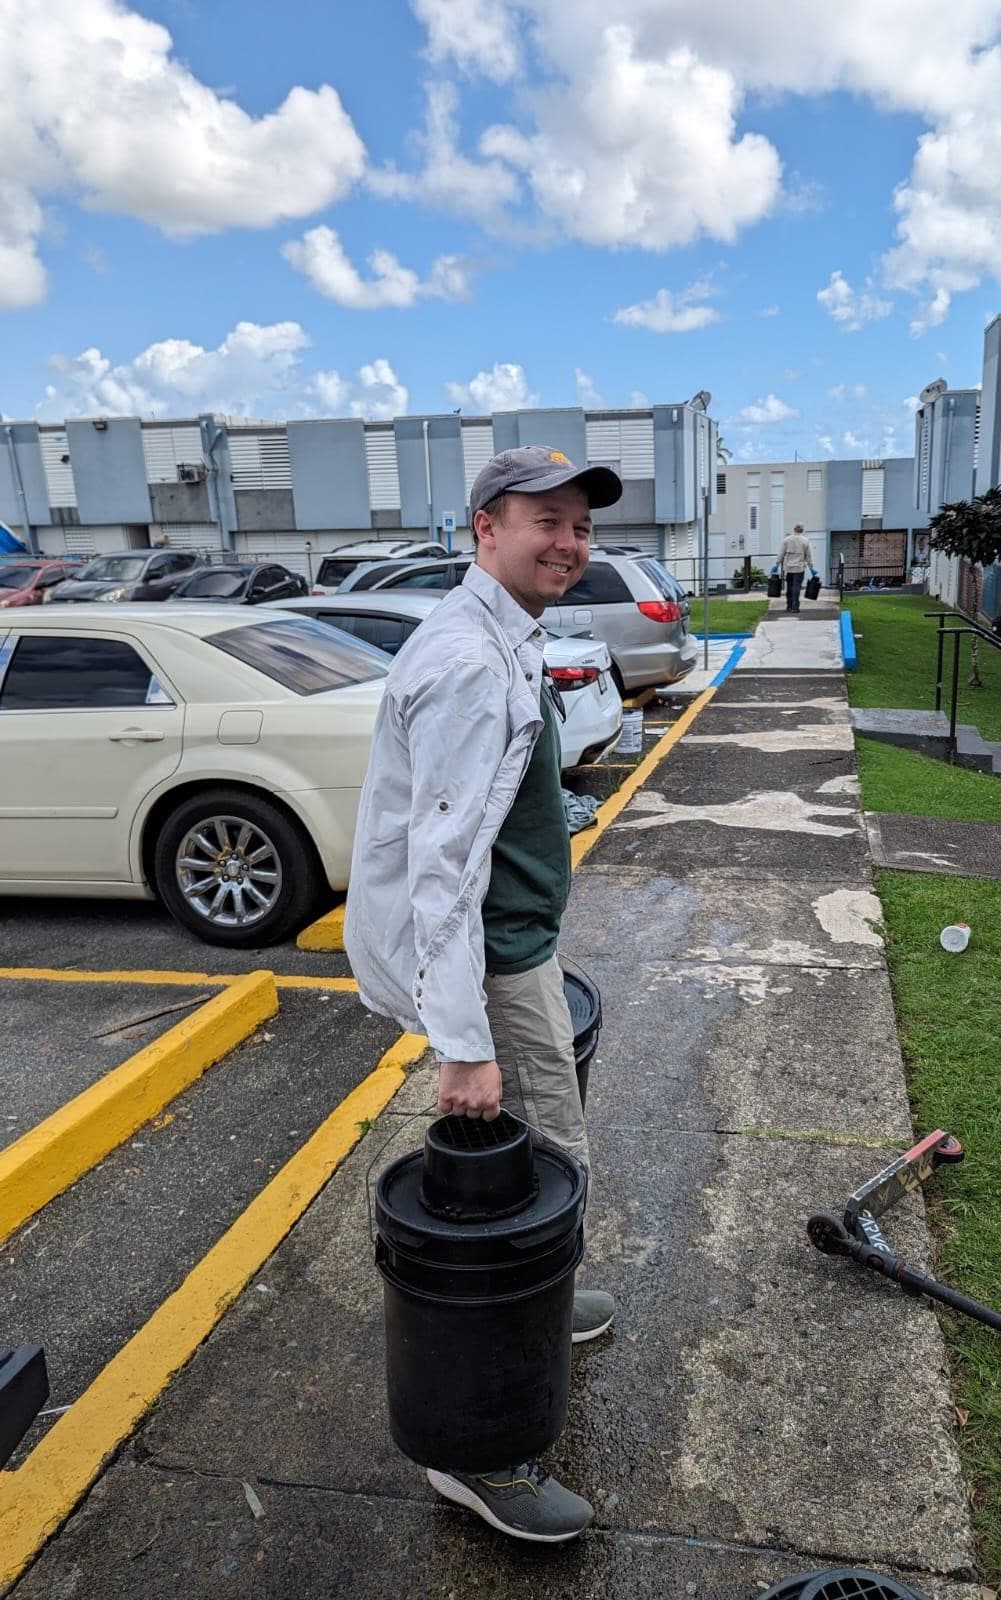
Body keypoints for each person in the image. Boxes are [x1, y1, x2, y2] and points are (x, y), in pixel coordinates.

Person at [345, 444, 623, 1544]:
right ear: (483, 529)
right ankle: (484, 1454)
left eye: (582, 526)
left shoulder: (506, 635)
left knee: (536, 1174)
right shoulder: (466, 658)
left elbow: (493, 809)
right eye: (545, 520)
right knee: (534, 1189)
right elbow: (443, 869)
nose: (569, 542)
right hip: (490, 963)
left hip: (513, 947)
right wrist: (463, 1043)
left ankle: (545, 1312)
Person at [778, 522, 815, 612]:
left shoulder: (787, 540)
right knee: (796, 587)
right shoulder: (805, 541)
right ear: (802, 530)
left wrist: (777, 564)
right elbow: (808, 556)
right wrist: (812, 567)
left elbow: (781, 554)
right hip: (799, 568)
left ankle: (789, 606)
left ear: (794, 529)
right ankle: (795, 607)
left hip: (788, 568)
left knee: (789, 587)